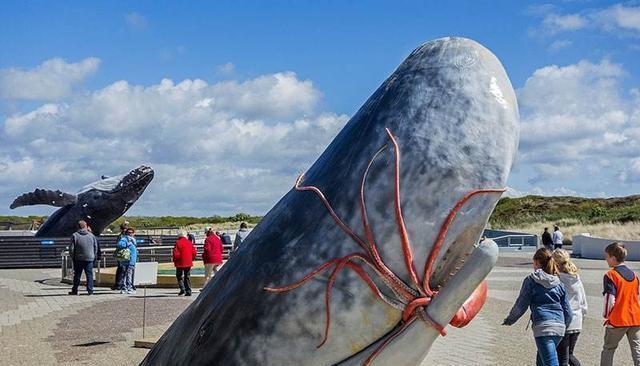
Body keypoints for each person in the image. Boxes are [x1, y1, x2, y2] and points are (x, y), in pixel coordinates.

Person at [503, 248, 573, 366]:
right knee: (541, 361)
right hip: (559, 328)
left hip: (543, 327)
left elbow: (521, 304)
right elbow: (568, 312)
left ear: (536, 262)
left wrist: (510, 320)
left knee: (551, 363)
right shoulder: (559, 283)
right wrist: (563, 325)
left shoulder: (531, 280)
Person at [600, 242, 640, 366]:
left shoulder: (610, 275)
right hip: (635, 318)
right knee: (637, 350)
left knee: (609, 349)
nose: (606, 259)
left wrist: (607, 316)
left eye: (607, 256)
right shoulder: (634, 276)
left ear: (613, 258)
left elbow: (609, 299)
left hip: (618, 318)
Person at [553, 249, 588, 366]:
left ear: (555, 263)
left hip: (564, 321)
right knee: (569, 355)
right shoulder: (576, 278)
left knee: (562, 358)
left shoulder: (557, 279)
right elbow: (583, 301)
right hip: (577, 321)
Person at [69, 220, 98, 295]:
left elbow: (71, 249)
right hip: (90, 258)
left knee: (77, 275)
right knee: (89, 275)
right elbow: (95, 247)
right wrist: (93, 256)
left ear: (78, 226)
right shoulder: (91, 235)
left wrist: (73, 257)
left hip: (78, 258)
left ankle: (75, 290)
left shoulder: (75, 235)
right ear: (86, 226)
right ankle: (90, 290)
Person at [173, 231, 197, 296]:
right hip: (188, 262)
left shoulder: (178, 243)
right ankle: (188, 290)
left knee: (179, 276)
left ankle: (182, 289)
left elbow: (176, 254)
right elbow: (194, 252)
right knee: (187, 276)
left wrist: (175, 260)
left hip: (180, 262)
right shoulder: (189, 242)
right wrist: (191, 259)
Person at [116, 227, 137, 294]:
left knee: (125, 274)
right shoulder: (126, 240)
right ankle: (128, 288)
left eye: (131, 233)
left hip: (129, 259)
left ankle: (125, 288)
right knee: (127, 274)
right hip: (127, 259)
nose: (130, 234)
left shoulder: (132, 240)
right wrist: (127, 244)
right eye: (129, 233)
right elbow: (119, 245)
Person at [111, 221, 129, 290]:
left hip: (125, 255)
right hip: (122, 255)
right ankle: (119, 284)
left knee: (124, 269)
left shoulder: (124, 236)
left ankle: (122, 284)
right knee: (121, 269)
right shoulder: (121, 236)